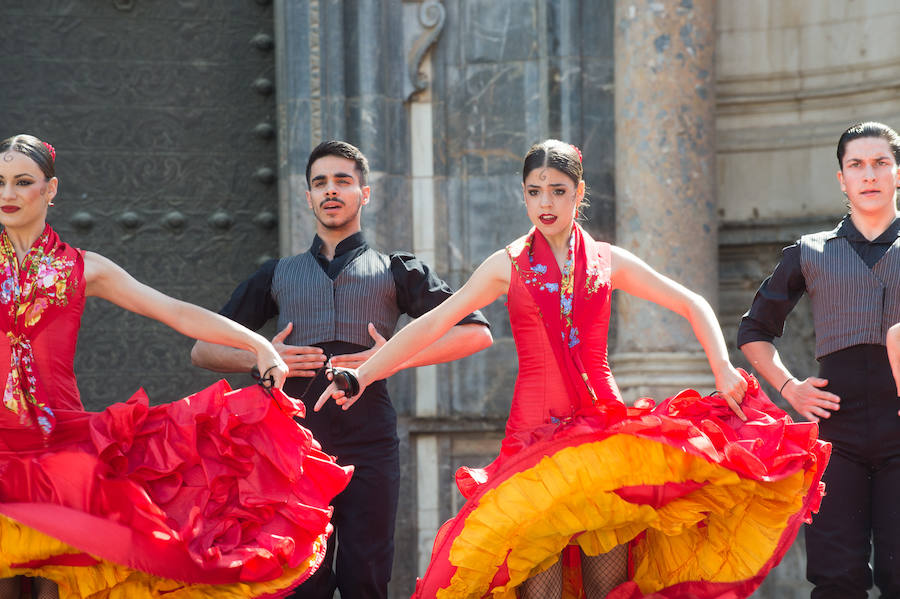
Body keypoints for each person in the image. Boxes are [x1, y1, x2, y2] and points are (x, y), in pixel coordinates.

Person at [318, 139, 830, 598]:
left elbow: (694, 303)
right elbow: (432, 324)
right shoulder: (507, 264)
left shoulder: (608, 260)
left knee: (605, 581)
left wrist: (721, 368)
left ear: (577, 193)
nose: (545, 203)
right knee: (538, 582)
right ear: (523, 196)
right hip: (534, 436)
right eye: (535, 191)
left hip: (602, 433)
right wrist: (364, 374)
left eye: (557, 191)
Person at [0, 134, 352, 599]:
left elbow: (174, 310)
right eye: (0, 182)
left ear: (50, 189)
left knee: (61, 584)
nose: (8, 194)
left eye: (22, 182)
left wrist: (256, 344)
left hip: (60, 440)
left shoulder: (84, 269)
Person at [191, 140, 493, 599]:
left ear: (363, 193)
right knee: (299, 581)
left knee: (366, 578)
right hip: (293, 447)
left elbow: (475, 332)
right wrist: (262, 355)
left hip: (370, 442)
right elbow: (202, 349)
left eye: (343, 181)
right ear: (308, 197)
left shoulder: (398, 270)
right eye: (320, 183)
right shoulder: (275, 274)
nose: (331, 191)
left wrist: (389, 359)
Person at [738, 121, 900, 599]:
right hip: (836, 434)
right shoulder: (809, 252)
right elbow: (753, 332)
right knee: (836, 578)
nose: (869, 175)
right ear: (841, 179)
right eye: (856, 165)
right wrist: (789, 388)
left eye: (880, 163)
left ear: (898, 173)